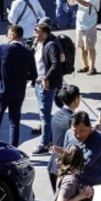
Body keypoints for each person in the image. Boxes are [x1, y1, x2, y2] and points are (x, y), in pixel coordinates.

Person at [0, 25, 37, 148]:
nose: (6, 36)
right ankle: (14, 150)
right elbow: (34, 74)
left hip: (2, 92)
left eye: (8, 33)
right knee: (14, 123)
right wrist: (21, 78)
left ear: (13, 35)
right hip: (18, 93)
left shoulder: (2, 48)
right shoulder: (28, 53)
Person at [32, 21, 64, 152]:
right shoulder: (39, 43)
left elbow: (56, 64)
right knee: (44, 113)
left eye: (37, 32)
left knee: (44, 114)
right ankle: (50, 138)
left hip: (47, 84)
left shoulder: (51, 45)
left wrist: (46, 78)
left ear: (44, 34)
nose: (34, 34)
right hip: (39, 82)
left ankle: (45, 144)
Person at [48, 84, 81, 191]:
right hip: (65, 168)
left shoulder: (56, 115)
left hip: (53, 165)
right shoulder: (73, 121)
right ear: (76, 99)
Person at [68, 0, 100, 74]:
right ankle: (85, 66)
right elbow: (71, 2)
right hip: (80, 25)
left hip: (90, 25)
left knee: (90, 48)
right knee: (82, 47)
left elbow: (86, 4)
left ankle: (92, 68)